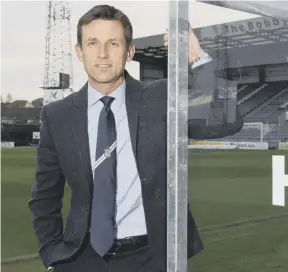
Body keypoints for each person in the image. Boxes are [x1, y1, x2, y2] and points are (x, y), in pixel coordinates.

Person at [28, 4, 243, 272]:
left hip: (150, 258)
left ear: (129, 52)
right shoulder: (56, 115)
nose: (103, 54)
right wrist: (52, 256)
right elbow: (45, 196)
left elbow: (226, 120)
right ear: (79, 52)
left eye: (113, 43)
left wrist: (196, 56)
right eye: (93, 43)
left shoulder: (160, 98)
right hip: (81, 259)